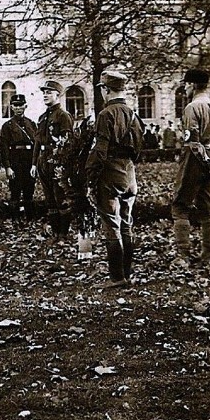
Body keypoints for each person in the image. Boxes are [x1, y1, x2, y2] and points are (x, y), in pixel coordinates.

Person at [85, 70, 143, 289]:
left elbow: (99, 152)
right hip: (130, 173)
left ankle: (117, 277)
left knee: (112, 225)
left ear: (105, 89)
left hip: (110, 172)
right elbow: (139, 147)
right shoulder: (132, 113)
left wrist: (91, 178)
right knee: (127, 224)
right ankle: (127, 274)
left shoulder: (105, 114)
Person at [171, 68, 210, 267]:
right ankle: (207, 254)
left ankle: (183, 255)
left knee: (180, 205)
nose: (185, 88)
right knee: (206, 206)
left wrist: (207, 162)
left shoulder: (191, 108)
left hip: (194, 158)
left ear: (191, 85)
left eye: (186, 85)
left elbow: (193, 143)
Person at [31, 80, 74, 241]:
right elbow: (37, 142)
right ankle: (55, 233)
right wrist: (34, 163)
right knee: (49, 198)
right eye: (44, 92)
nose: (45, 95)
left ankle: (63, 233)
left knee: (60, 197)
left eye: (49, 92)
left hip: (57, 162)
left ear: (58, 95)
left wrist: (62, 164)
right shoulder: (43, 117)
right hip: (43, 161)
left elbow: (67, 142)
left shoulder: (63, 116)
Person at [0, 93, 38, 222]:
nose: (18, 108)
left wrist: (35, 163)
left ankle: (30, 218)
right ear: (11, 107)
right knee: (15, 191)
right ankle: (15, 219)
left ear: (25, 106)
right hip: (15, 159)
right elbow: (3, 148)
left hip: (28, 159)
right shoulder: (7, 126)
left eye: (21, 105)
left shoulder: (31, 124)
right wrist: (8, 167)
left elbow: (36, 145)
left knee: (29, 190)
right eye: (15, 105)